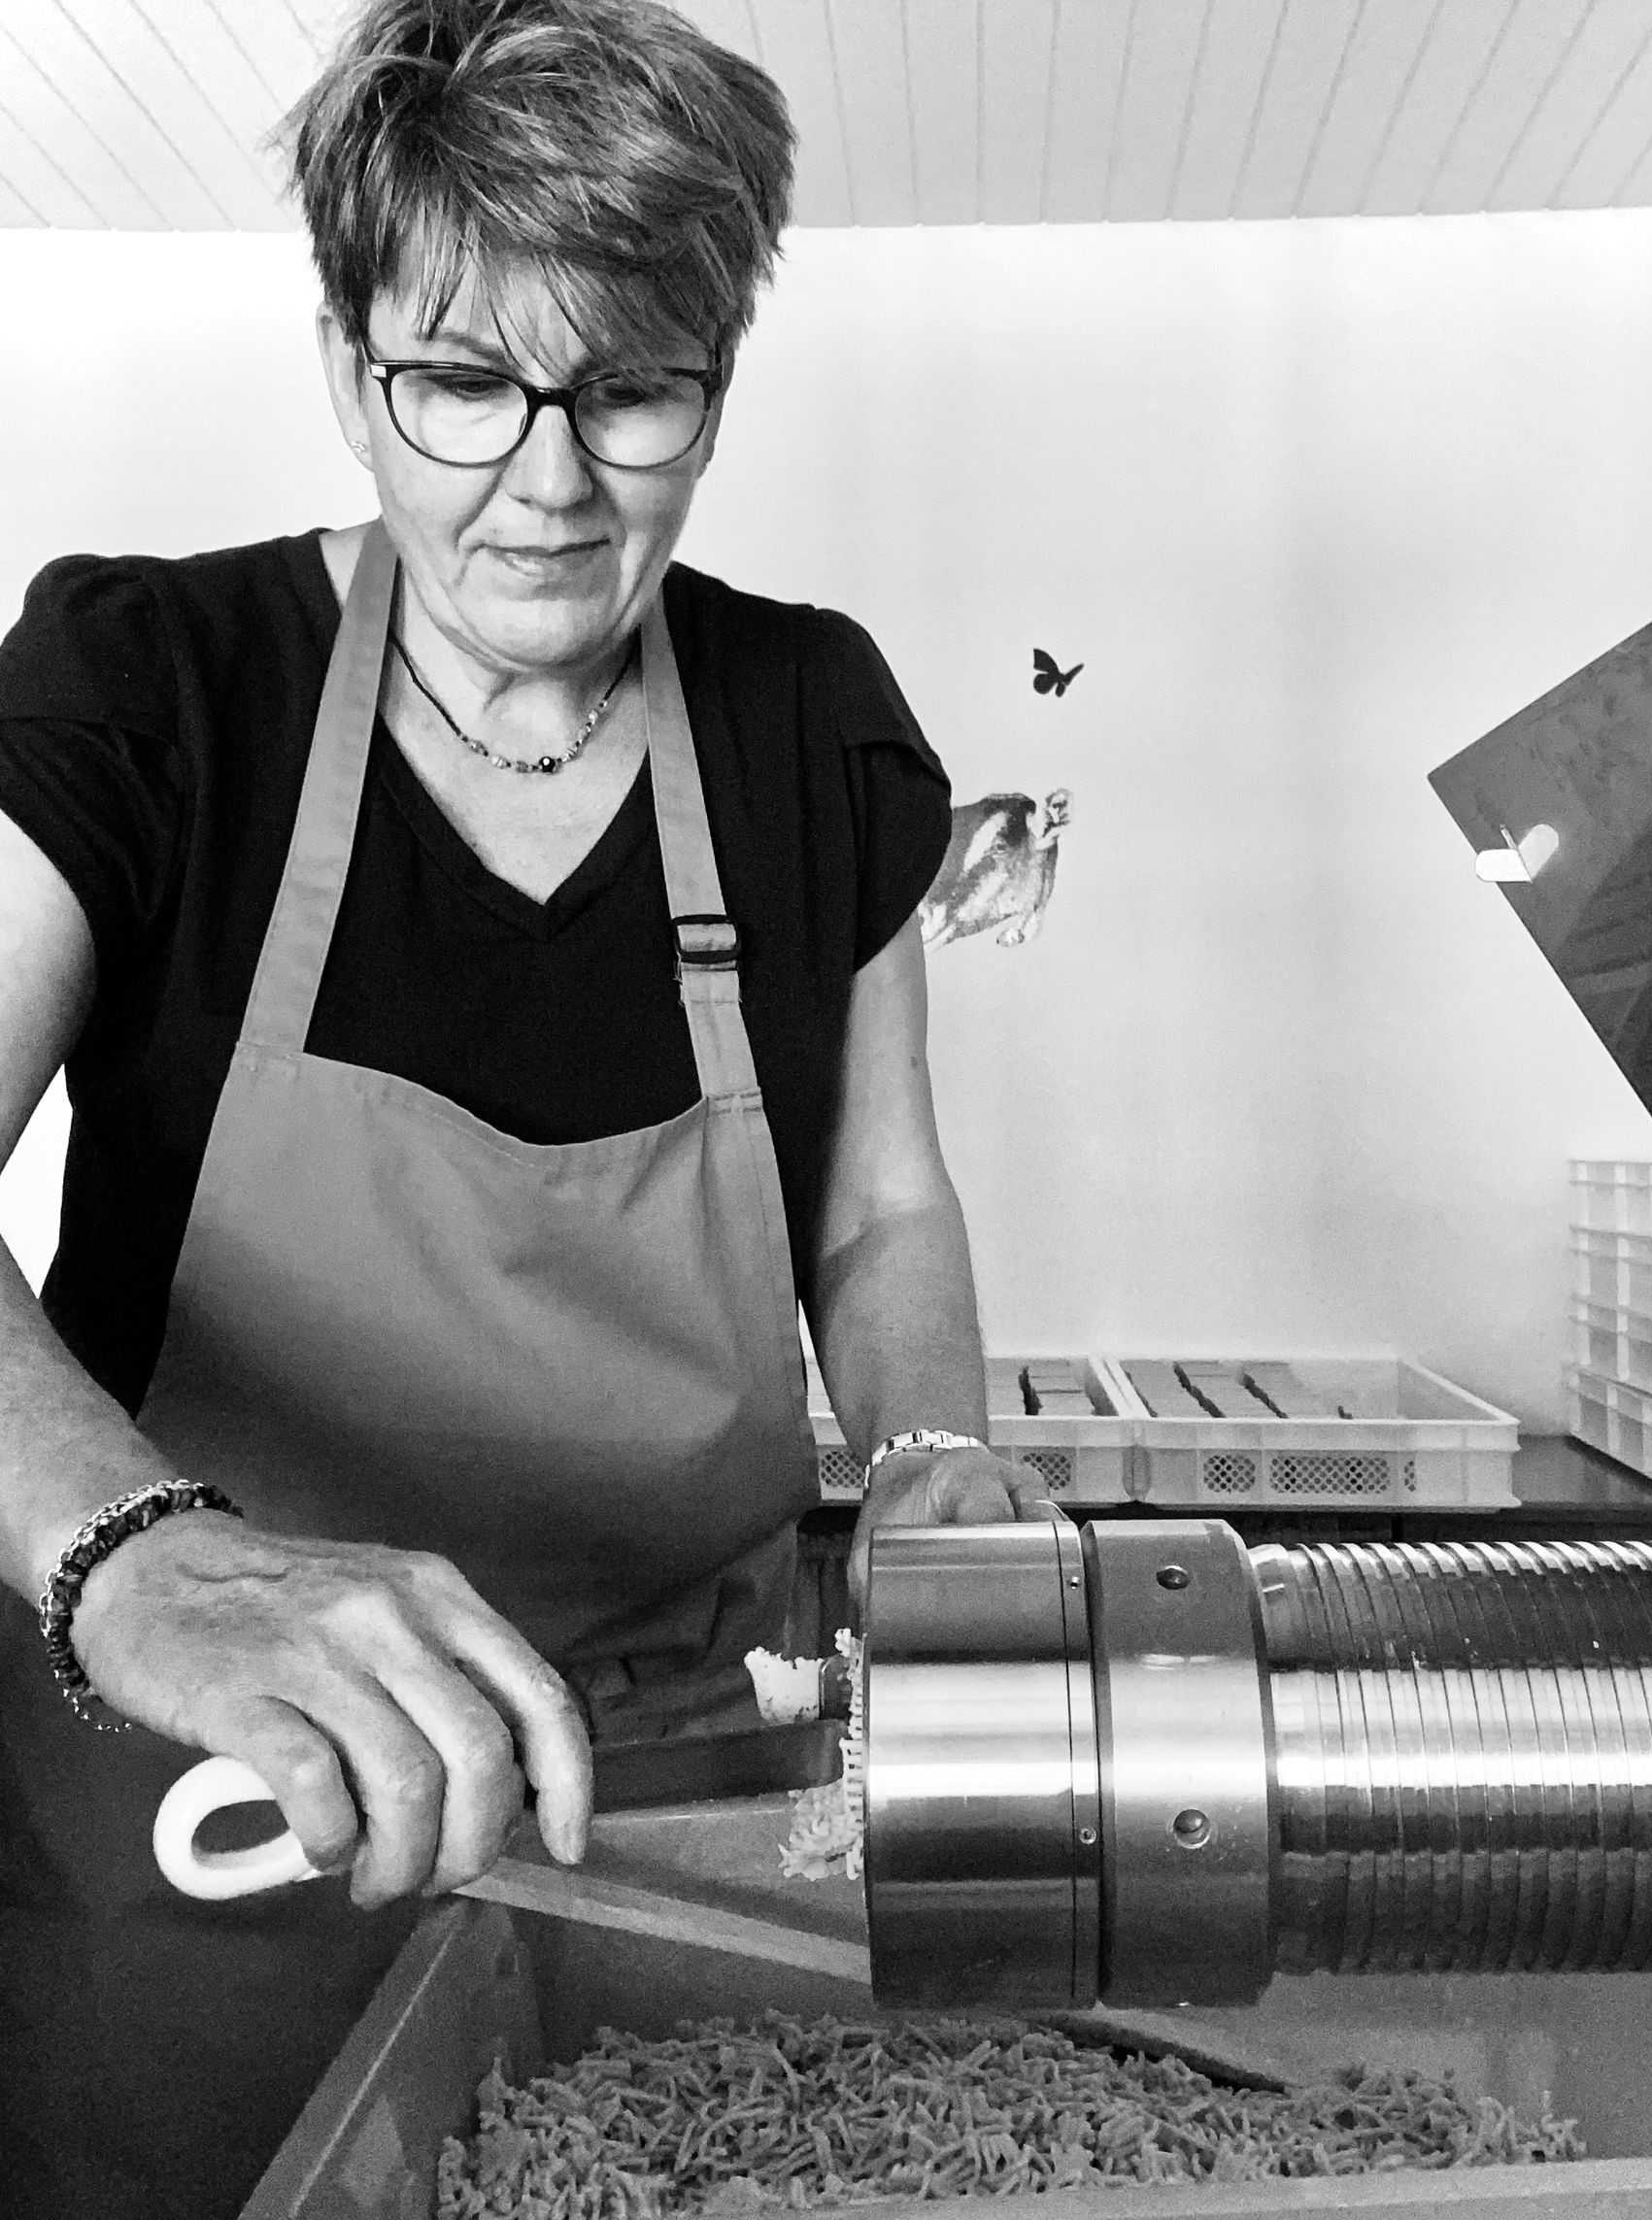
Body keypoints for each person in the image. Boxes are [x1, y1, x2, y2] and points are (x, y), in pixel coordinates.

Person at [0, 3, 1041, 2211]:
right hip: (220, 1807)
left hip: (694, 1801)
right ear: (344, 360)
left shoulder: (815, 723)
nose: (548, 486)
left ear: (715, 388)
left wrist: (932, 1465)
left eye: (630, 389)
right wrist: (145, 1563)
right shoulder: (152, 694)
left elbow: (882, 1213)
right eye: (463, 381)